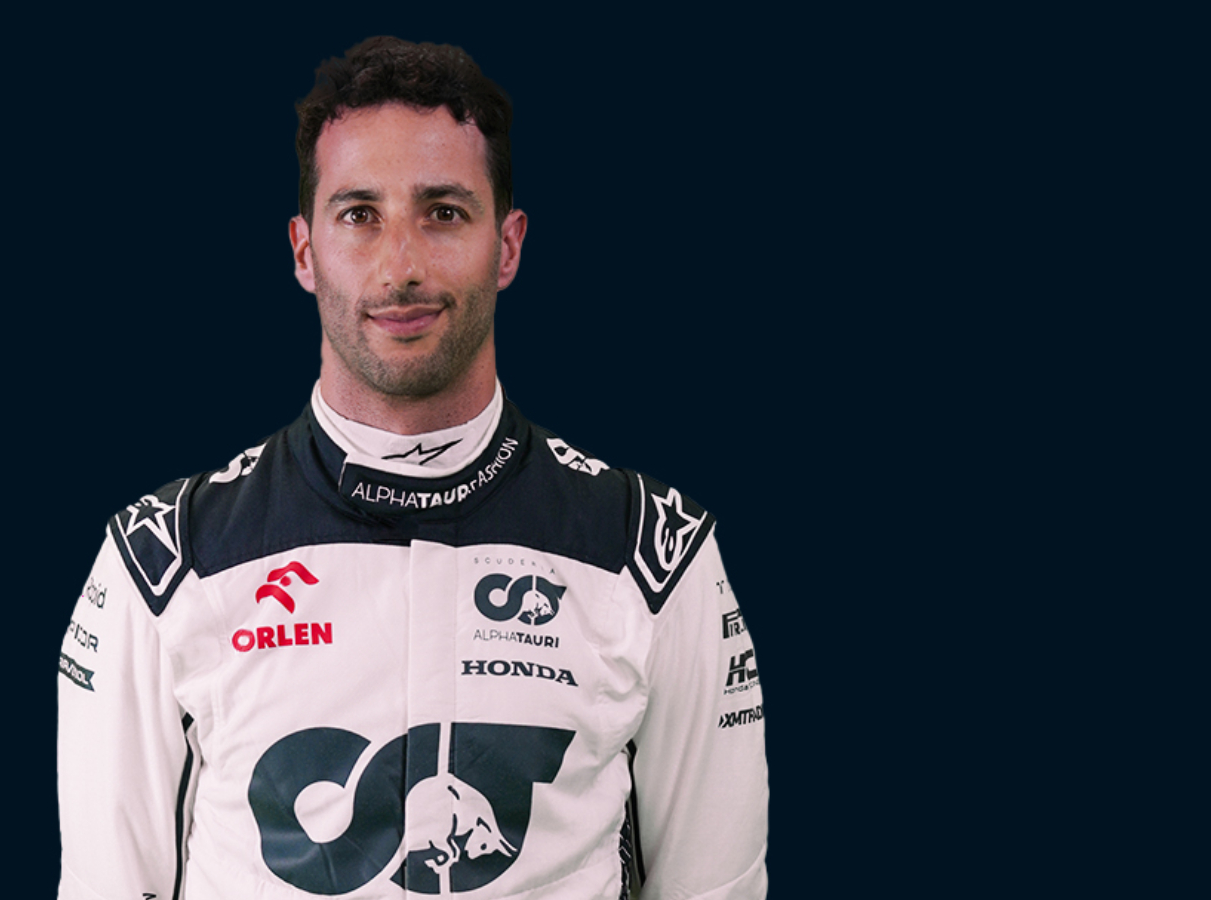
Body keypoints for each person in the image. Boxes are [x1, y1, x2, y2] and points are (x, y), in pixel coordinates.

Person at [56, 36, 768, 900]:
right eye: (359, 215)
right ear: (304, 250)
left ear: (507, 245)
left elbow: (715, 887)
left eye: (444, 213)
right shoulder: (167, 561)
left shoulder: (650, 555)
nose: (401, 267)